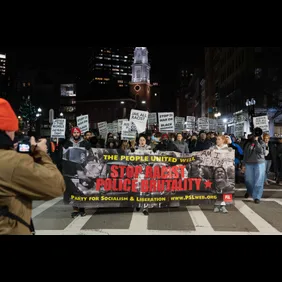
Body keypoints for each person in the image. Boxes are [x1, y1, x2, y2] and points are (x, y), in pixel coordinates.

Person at [0, 98, 66, 235]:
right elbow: (56, 185)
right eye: (13, 131)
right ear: (6, 130)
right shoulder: (12, 161)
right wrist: (40, 152)